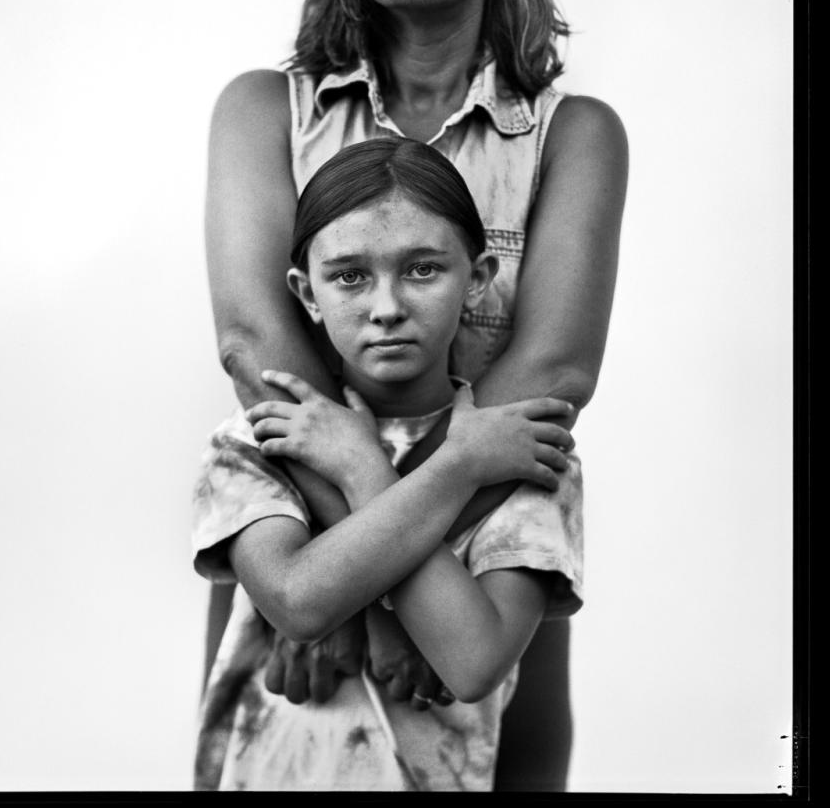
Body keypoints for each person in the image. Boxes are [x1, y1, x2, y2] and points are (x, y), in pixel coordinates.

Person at [204, 0, 628, 790]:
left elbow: (553, 371)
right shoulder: (266, 112)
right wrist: (348, 583)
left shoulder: (575, 135)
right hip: (291, 532)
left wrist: (409, 586)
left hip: (492, 554)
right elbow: (257, 346)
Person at [192, 138, 583, 792]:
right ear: (306, 292)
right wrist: (443, 467)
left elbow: (472, 658)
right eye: (349, 275)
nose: (387, 306)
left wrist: (363, 468)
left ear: (478, 276)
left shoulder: (524, 453)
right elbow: (299, 598)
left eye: (423, 269)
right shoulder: (258, 442)